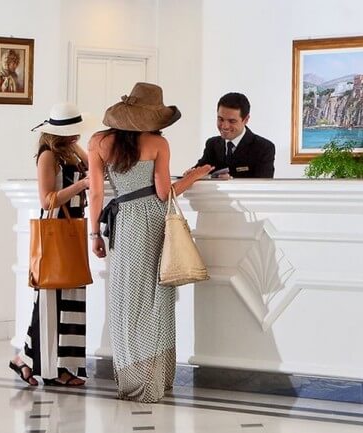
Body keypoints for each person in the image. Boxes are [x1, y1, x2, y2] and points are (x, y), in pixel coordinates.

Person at [87, 82, 213, 402]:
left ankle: (131, 378)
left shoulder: (98, 142)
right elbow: (162, 192)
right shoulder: (158, 143)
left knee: (125, 299)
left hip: (124, 223)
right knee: (156, 299)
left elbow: (97, 193)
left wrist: (94, 234)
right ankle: (156, 379)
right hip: (153, 221)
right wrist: (193, 177)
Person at [8, 102, 91, 387]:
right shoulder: (48, 156)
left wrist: (79, 151)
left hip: (73, 227)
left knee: (69, 300)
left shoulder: (71, 150)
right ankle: (50, 369)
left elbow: (93, 166)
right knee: (49, 301)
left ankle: (29, 361)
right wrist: (81, 185)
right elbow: (47, 199)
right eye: (71, 132)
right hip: (56, 228)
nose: (76, 136)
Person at [186, 92, 275, 179]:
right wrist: (191, 175)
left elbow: (264, 187)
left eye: (232, 121)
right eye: (220, 119)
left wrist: (231, 183)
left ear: (246, 119)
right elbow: (200, 170)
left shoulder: (264, 148)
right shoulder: (212, 144)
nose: (224, 126)